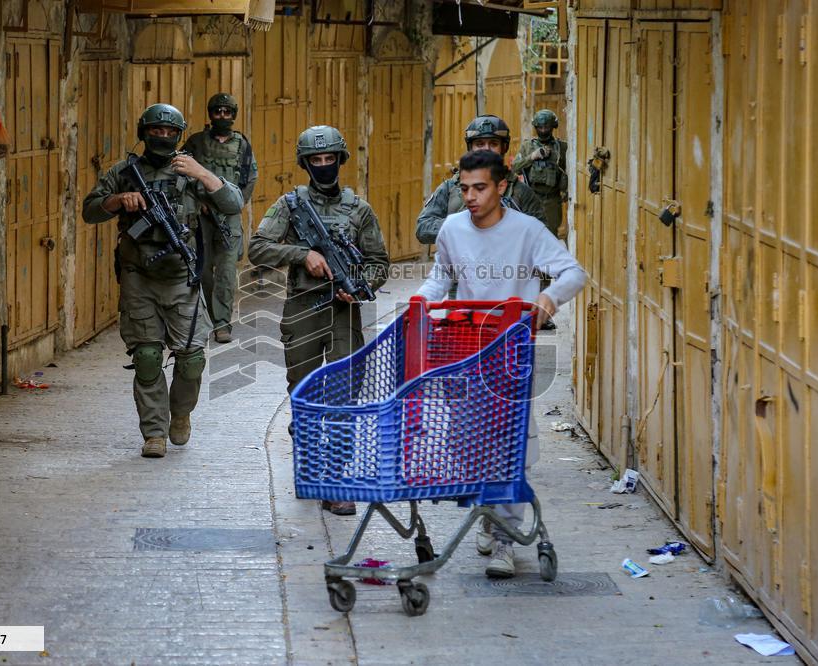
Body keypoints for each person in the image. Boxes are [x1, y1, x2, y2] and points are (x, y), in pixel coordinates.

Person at [416, 149, 586, 578]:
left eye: (480, 188)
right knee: (469, 441)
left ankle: (506, 539)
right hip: (464, 348)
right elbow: (442, 275)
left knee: (510, 442)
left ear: (501, 187)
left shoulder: (527, 231)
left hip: (511, 350)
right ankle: (490, 517)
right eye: (465, 188)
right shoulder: (453, 229)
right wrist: (423, 300)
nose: (470, 197)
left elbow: (573, 273)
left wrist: (547, 299)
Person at [82, 103, 244, 459]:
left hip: (181, 279)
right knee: (148, 356)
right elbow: (89, 209)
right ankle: (153, 432)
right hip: (139, 277)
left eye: (170, 132)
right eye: (157, 131)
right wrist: (117, 201)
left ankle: (181, 412)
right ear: (144, 132)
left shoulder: (189, 171)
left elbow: (233, 203)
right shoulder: (125, 171)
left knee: (191, 360)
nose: (164, 137)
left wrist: (203, 173)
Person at [248, 125, 390, 515]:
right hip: (302, 309)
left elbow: (379, 262)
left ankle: (336, 479)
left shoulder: (358, 208)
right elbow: (257, 248)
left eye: (330, 159)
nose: (324, 166)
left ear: (340, 161)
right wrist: (301, 255)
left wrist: (361, 285)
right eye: (316, 160)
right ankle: (311, 464)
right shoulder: (290, 205)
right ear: (306, 164)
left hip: (344, 312)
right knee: (305, 393)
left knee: (345, 394)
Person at [183, 92, 258, 344]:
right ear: (210, 114)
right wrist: (199, 202)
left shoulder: (242, 145)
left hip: (229, 218)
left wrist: (234, 204)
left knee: (226, 272)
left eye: (227, 112)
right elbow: (181, 175)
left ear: (233, 115)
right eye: (218, 112)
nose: (222, 116)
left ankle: (222, 323)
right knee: (202, 271)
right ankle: (206, 319)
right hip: (202, 217)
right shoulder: (196, 142)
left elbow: (249, 179)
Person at [415, 114, 545, 246]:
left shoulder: (520, 191)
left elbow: (541, 236)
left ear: (504, 148)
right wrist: (463, 224)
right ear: (471, 148)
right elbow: (423, 228)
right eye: (480, 144)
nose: (486, 149)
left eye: (493, 144)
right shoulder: (450, 188)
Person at [511, 109, 568, 238]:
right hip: (532, 198)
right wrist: (532, 157)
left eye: (546, 127)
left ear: (553, 127)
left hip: (552, 200)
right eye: (540, 127)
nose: (543, 130)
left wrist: (565, 190)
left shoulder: (562, 147)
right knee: (529, 235)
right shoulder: (527, 146)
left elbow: (568, 173)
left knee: (551, 236)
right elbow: (515, 168)